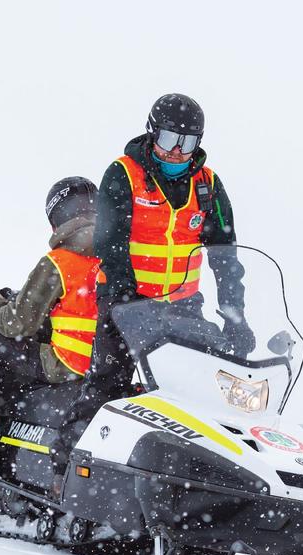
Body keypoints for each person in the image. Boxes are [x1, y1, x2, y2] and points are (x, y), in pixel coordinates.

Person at [51, 94, 253, 469]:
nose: (177, 151)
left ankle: (196, 473)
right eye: (168, 139)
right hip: (125, 303)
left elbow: (225, 255)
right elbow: (111, 241)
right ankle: (65, 470)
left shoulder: (208, 185)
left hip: (182, 305)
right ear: (151, 134)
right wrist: (128, 301)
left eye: (187, 142)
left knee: (199, 389)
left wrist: (235, 314)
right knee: (107, 385)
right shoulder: (123, 174)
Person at [0, 177, 103, 470]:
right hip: (102, 364)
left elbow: (18, 324)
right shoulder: (113, 258)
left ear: (56, 221)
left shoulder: (60, 261)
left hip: (65, 364)